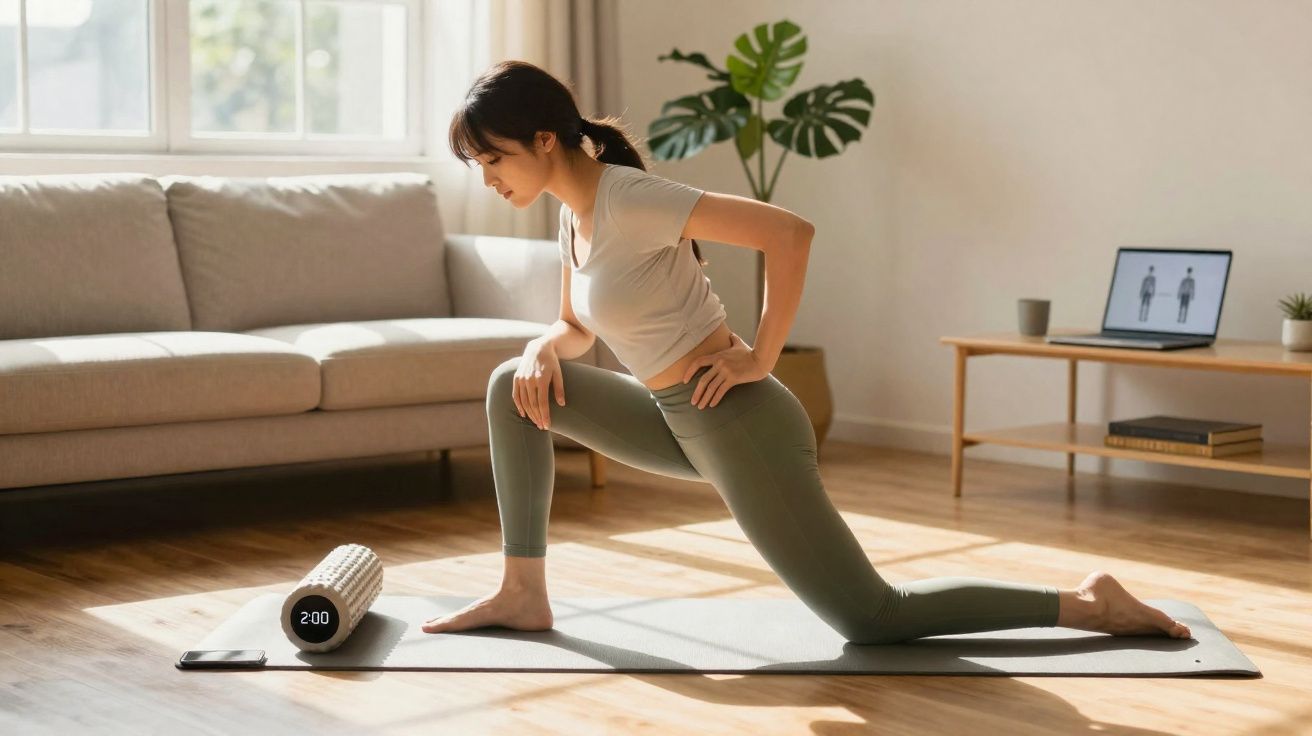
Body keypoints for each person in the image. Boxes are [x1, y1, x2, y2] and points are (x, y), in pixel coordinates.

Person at [423, 60, 1192, 643]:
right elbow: (576, 327)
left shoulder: (629, 198)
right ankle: (524, 591)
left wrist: (760, 356)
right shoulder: (572, 215)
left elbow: (789, 233)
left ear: (543, 141)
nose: (488, 180)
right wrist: (542, 348)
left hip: (737, 422)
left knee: (871, 617)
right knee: (508, 389)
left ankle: (1090, 603)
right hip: (670, 419)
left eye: (493, 160)